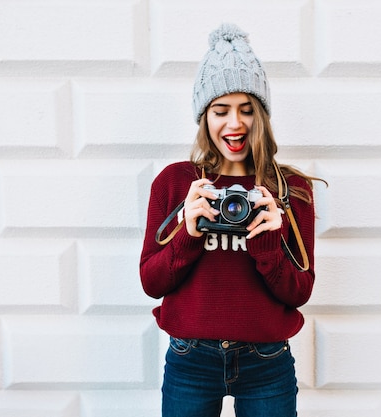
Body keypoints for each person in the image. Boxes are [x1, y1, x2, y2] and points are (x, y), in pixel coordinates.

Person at [140, 23, 323, 417]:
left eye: (247, 110)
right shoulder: (176, 184)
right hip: (190, 359)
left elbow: (299, 292)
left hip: (267, 362)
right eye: (221, 111)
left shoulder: (289, 190)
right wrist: (187, 231)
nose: (235, 124)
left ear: (262, 116)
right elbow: (151, 283)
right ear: (204, 116)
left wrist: (268, 243)